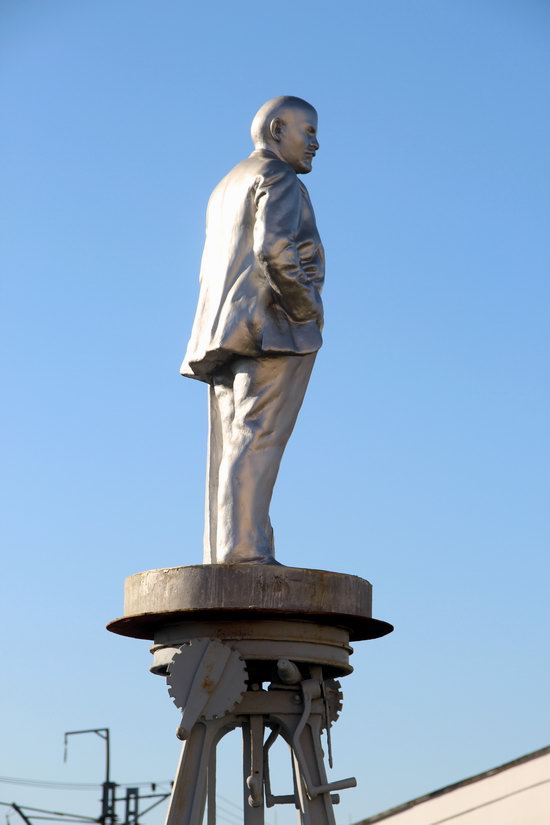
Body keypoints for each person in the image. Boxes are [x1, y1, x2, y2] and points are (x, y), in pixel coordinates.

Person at [181, 96, 324, 564]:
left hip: (226, 330)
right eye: (309, 132)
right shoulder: (278, 177)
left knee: (234, 442)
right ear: (278, 130)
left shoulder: (227, 184)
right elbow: (275, 250)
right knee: (257, 438)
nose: (316, 144)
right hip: (273, 328)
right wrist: (306, 309)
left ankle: (235, 546)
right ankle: (244, 552)